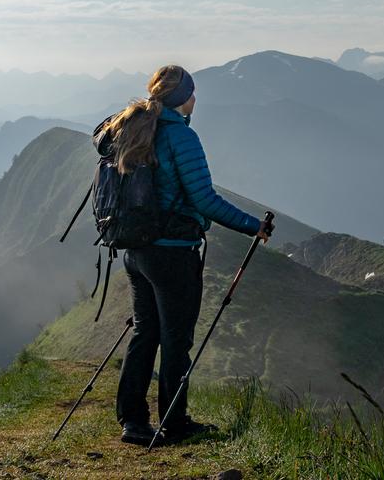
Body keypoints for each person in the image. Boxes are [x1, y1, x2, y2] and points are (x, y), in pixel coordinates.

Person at [97, 64, 272, 446]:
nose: (195, 99)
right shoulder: (181, 138)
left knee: (145, 333)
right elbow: (204, 200)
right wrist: (252, 225)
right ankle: (174, 424)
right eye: (191, 93)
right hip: (173, 255)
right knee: (176, 340)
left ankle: (132, 420)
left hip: (135, 251)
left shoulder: (136, 127)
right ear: (181, 99)